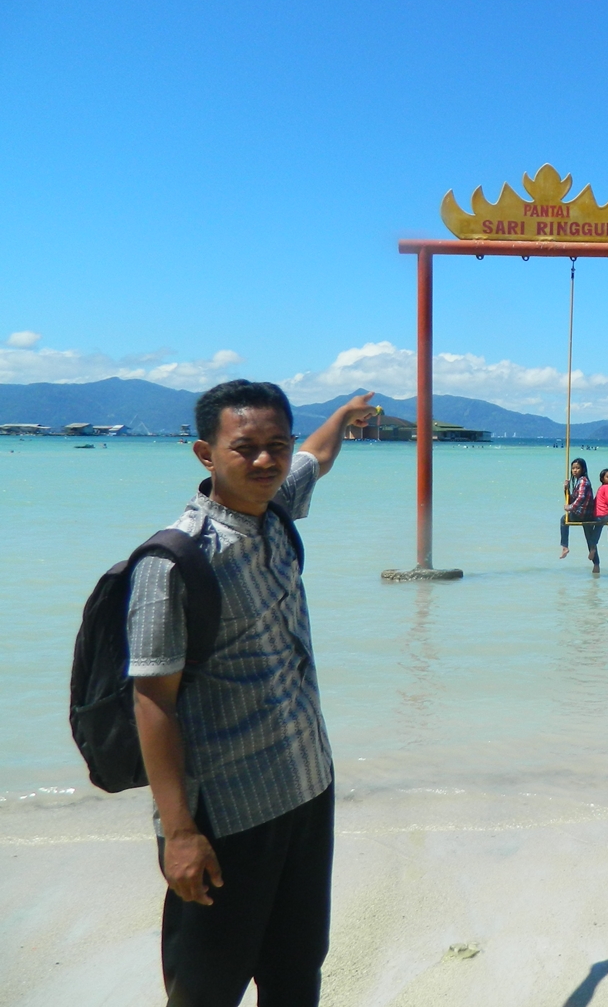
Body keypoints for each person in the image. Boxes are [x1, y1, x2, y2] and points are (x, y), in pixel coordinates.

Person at [127, 379, 374, 1007]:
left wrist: (342, 416)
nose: (266, 460)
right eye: (246, 448)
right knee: (207, 986)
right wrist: (179, 834)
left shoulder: (277, 508)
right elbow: (152, 701)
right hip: (229, 814)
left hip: (306, 789)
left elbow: (317, 454)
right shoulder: (174, 563)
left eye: (276, 445)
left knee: (296, 972)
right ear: (206, 455)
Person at [559, 458, 600, 566]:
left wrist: (571, 507)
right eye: (573, 468)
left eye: (577, 468)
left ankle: (565, 547)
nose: (575, 470)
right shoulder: (583, 481)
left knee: (563, 519)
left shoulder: (582, 481)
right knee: (590, 539)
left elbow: (580, 497)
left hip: (581, 514)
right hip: (589, 514)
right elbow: (573, 498)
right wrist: (566, 489)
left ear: (583, 469)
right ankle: (596, 564)